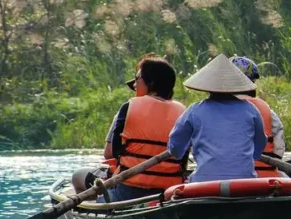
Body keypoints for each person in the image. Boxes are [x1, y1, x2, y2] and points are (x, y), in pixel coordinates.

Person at [75, 55, 186, 201]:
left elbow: (113, 153)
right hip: (167, 191)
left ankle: (94, 211)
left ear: (151, 83)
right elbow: (183, 159)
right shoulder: (183, 113)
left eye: (137, 77)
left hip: (127, 190)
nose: (134, 84)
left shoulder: (129, 108)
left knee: (77, 176)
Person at [167, 54, 267, 182]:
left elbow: (175, 149)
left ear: (207, 86)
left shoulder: (194, 111)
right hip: (245, 181)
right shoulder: (251, 110)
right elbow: (259, 146)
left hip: (205, 182)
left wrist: (183, 148)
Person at [230, 55, 287, 177]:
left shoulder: (215, 109)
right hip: (266, 176)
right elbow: (279, 148)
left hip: (226, 177)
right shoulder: (268, 112)